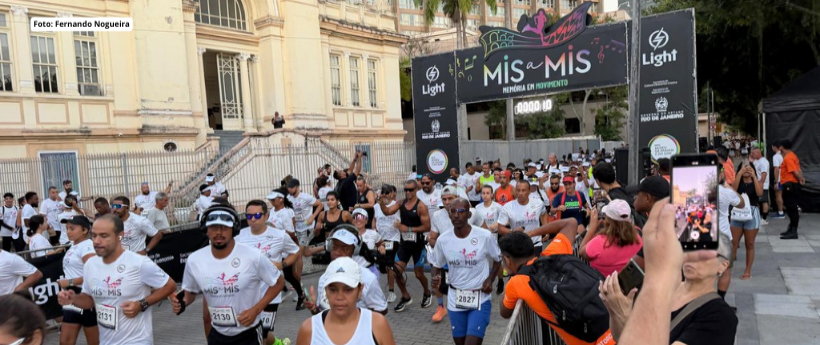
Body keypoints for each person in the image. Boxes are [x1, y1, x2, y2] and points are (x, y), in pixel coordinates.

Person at [601, 216, 737, 345]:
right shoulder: (662, 289)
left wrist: (624, 316)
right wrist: (614, 309)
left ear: (723, 265)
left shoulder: (721, 317)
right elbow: (618, 336)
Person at [172, 202, 285, 345]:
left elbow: (279, 282)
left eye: (224, 227)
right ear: (206, 229)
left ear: (234, 229)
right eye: (213, 227)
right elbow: (190, 294)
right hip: (217, 334)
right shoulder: (195, 260)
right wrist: (181, 303)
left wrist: (256, 310)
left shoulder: (253, 256)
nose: (218, 232)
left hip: (248, 333)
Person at [57, 214, 177, 345]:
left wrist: (141, 304)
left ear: (120, 236)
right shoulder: (90, 265)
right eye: (94, 235)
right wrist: (73, 298)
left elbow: (170, 285)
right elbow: (90, 300)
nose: (96, 241)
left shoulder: (139, 262)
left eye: (104, 236)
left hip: (136, 341)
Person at [499, 218, 616, 345]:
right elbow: (571, 223)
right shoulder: (552, 254)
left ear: (507, 260)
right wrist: (531, 233)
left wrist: (509, 279)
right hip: (616, 325)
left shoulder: (516, 283)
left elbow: (504, 312)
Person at [430, 198, 501, 345]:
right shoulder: (443, 240)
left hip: (480, 298)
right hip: (455, 298)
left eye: (461, 211)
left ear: (469, 215)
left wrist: (490, 279)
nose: (456, 215)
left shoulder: (484, 236)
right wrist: (435, 277)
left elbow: (498, 258)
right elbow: (436, 264)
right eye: (453, 211)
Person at [236, 200, 300, 345]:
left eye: (257, 215)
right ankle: (278, 343)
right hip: (246, 296)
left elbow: (295, 252)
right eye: (249, 216)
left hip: (270, 294)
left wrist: (282, 264)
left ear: (266, 216)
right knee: (253, 332)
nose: (253, 219)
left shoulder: (280, 235)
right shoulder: (239, 236)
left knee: (262, 335)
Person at [296, 257, 396, 345]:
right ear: (325, 290)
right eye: (333, 290)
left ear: (360, 290)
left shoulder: (377, 325)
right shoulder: (309, 329)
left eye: (348, 290)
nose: (340, 297)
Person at [303, 226, 388, 315]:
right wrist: (314, 309)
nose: (337, 252)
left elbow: (382, 309)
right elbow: (323, 315)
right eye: (334, 247)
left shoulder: (368, 278)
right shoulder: (324, 279)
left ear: (355, 251)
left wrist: (354, 317)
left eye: (345, 249)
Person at [377, 179, 432, 312]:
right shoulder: (401, 203)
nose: (407, 192)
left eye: (410, 190)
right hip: (404, 245)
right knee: (396, 271)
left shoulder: (421, 206)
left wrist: (408, 229)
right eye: (406, 190)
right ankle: (406, 296)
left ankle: (427, 292)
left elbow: (427, 227)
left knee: (419, 274)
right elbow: (387, 212)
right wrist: (381, 202)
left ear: (416, 190)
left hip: (417, 245)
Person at [57, 215, 99, 345]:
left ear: (85, 230)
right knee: (65, 341)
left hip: (86, 295)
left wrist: (70, 282)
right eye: (67, 228)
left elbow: (95, 273)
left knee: (94, 342)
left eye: (72, 228)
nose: (68, 232)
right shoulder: (73, 245)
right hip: (72, 296)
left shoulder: (87, 246)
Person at [266, 188, 307, 310]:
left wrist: (275, 230)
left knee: (289, 275)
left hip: (285, 247)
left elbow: (291, 233)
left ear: (281, 199)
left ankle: (301, 295)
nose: (272, 202)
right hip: (273, 247)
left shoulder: (286, 213)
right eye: (271, 200)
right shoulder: (272, 211)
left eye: (274, 199)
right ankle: (282, 289)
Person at [579, 200, 642, 277]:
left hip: (602, 283)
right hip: (629, 283)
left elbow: (581, 251)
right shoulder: (638, 238)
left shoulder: (599, 242)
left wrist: (592, 227)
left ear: (608, 220)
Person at [730, 162, 763, 280]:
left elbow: (759, 193)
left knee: (749, 244)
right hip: (737, 214)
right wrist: (739, 175)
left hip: (752, 214)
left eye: (749, 168)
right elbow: (732, 192)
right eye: (744, 168)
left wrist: (754, 177)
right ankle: (728, 266)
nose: (747, 170)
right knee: (733, 242)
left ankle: (748, 271)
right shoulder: (738, 182)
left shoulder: (756, 182)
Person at [498, 180, 548, 254]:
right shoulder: (507, 207)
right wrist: (512, 231)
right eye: (518, 190)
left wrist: (545, 229)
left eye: (523, 190)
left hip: (535, 244)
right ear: (515, 191)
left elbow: (544, 213)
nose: (520, 193)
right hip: (518, 246)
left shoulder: (538, 203)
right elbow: (500, 229)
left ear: (529, 191)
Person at [474, 185, 505, 294]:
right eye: (483, 193)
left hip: (494, 237)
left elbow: (504, 219)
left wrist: (496, 224)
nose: (485, 195)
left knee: (497, 260)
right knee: (482, 260)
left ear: (492, 194)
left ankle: (500, 280)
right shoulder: (477, 208)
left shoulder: (497, 207)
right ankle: (483, 282)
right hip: (481, 238)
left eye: (488, 193)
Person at [374, 185, 400, 303]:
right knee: (382, 267)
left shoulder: (396, 206)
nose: (384, 195)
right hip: (381, 240)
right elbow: (374, 220)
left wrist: (399, 225)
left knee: (389, 265)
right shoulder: (376, 206)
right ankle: (395, 273)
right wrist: (374, 229)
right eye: (382, 192)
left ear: (391, 194)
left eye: (387, 192)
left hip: (393, 239)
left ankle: (391, 292)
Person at [777, 140, 805, 239]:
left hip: (790, 185)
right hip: (791, 184)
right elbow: (799, 169)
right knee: (790, 208)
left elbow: (794, 171)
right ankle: (791, 228)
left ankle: (793, 231)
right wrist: (801, 178)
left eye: (779, 146)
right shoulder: (793, 155)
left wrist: (800, 179)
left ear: (782, 147)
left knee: (792, 208)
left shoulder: (788, 158)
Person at [311, 191, 352, 257]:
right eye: (328, 200)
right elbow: (316, 234)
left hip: (342, 246)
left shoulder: (345, 214)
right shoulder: (322, 214)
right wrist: (317, 229)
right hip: (329, 246)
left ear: (337, 201)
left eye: (332, 200)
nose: (330, 202)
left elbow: (355, 228)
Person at [350, 208, 384, 278]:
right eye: (355, 217)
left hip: (370, 271)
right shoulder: (347, 235)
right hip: (352, 272)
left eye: (362, 217)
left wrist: (382, 246)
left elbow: (381, 242)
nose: (358, 220)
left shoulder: (373, 234)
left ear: (366, 221)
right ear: (352, 220)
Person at [770, 142, 785, 219]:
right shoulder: (784, 155)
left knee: (778, 196)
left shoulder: (776, 156)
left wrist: (776, 181)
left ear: (774, 147)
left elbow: (776, 169)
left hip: (779, 179)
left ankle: (781, 212)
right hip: (785, 178)